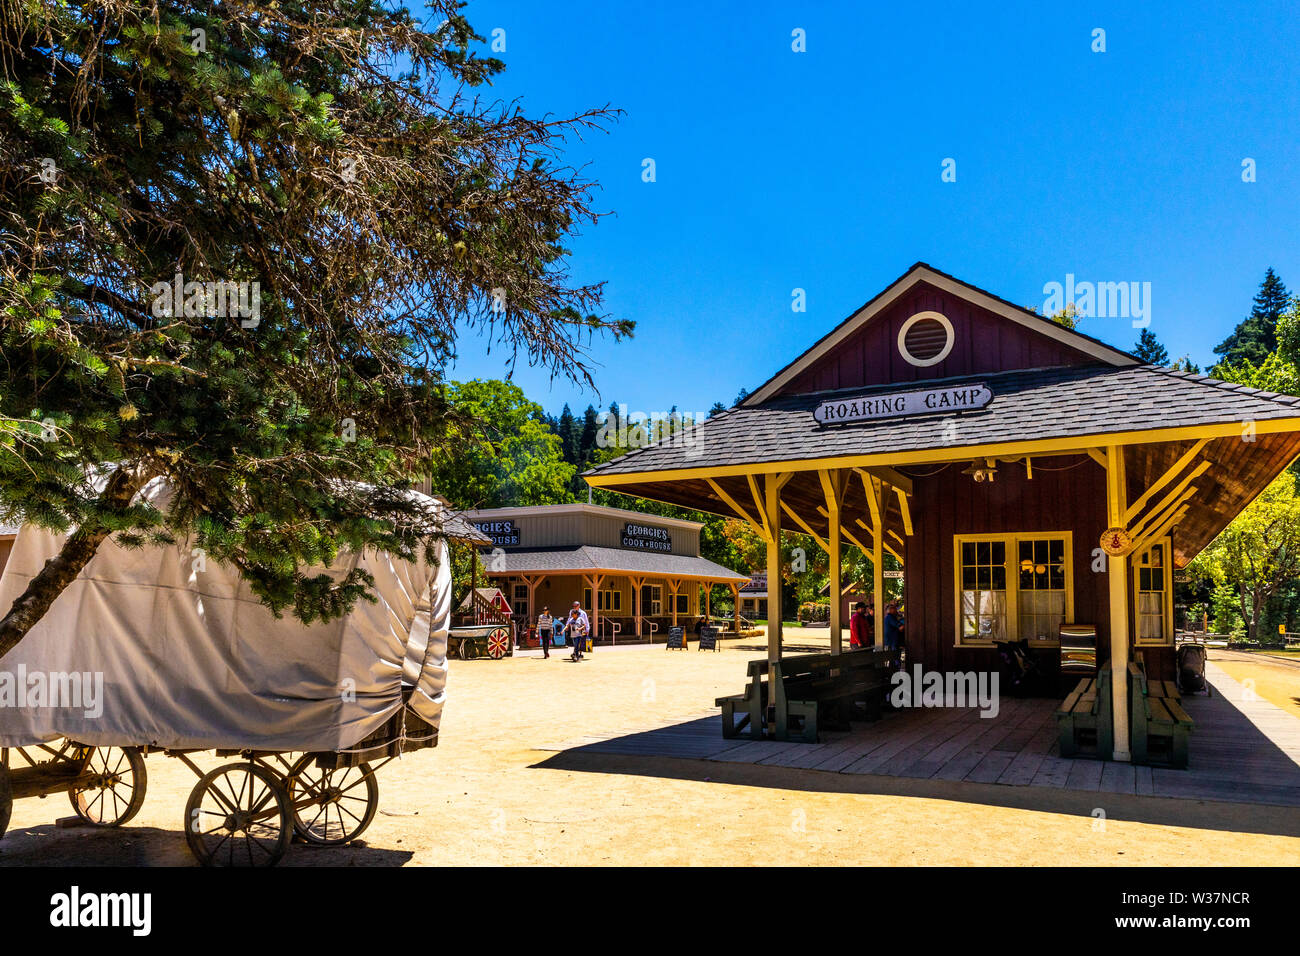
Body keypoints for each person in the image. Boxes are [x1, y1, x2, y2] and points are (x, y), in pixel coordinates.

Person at [884, 601, 905, 668]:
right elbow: (901, 627)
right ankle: (894, 675)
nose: (896, 610)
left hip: (892, 641)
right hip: (892, 642)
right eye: (895, 609)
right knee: (894, 659)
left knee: (893, 658)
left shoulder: (890, 617)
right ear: (890, 610)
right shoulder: (890, 618)